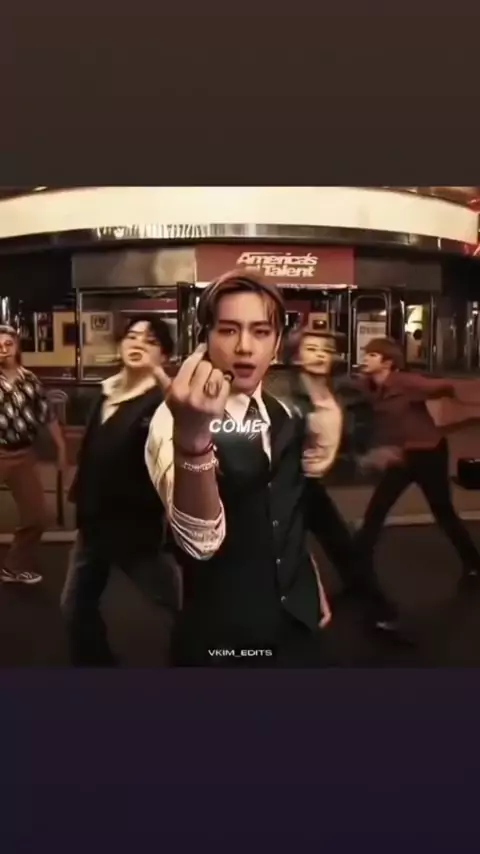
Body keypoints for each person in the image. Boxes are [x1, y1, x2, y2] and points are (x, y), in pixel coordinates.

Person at [145, 269, 340, 668]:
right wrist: (193, 441)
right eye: (229, 330)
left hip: (297, 622)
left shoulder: (283, 414)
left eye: (261, 332)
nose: (245, 347)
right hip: (223, 639)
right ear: (205, 338)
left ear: (277, 343)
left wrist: (309, 576)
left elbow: (286, 508)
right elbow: (200, 541)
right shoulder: (172, 421)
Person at [61, 316, 179, 666]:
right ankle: (98, 668)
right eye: (132, 336)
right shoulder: (106, 391)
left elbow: (184, 432)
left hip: (135, 531)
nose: (138, 342)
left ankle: (198, 665)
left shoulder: (162, 404)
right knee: (75, 607)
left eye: (150, 340)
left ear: (164, 355)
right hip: (92, 525)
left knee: (176, 604)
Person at [353, 336, 480, 631]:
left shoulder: (406, 382)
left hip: (428, 454)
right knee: (377, 509)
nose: (366, 358)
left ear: (387, 362)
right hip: (400, 456)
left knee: (442, 511)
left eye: (372, 355)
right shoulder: (370, 385)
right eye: (367, 354)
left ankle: (474, 562)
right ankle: (355, 566)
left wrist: (469, 393)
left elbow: (443, 386)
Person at [0, 324, 66, 585]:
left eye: (8, 344)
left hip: (23, 454)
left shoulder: (31, 381)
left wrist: (61, 448)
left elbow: (48, 416)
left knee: (37, 516)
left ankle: (14, 566)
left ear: (17, 347)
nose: (3, 349)